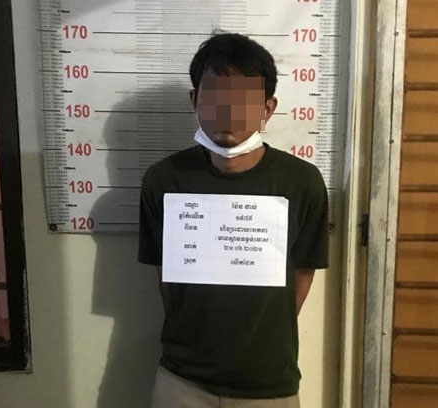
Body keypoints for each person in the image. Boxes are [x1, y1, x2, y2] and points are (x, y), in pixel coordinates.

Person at [139, 32, 329, 408]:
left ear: (268, 108)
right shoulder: (163, 180)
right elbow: (166, 278)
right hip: (182, 380)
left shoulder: (302, 182)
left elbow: (302, 273)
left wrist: (259, 335)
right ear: (194, 100)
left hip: (269, 384)